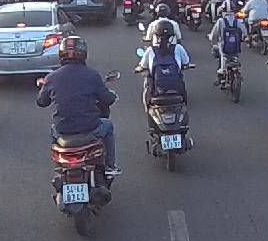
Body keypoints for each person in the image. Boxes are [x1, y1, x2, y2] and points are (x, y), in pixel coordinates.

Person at [36, 36, 121, 177]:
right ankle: (109, 166)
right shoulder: (92, 75)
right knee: (108, 126)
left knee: (52, 130)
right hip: (90, 128)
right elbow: (108, 99)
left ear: (61, 54)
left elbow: (41, 102)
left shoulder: (51, 78)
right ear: (84, 54)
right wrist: (112, 96)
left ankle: (59, 165)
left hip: (63, 130)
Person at [138, 20, 191, 106]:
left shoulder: (151, 50)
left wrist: (139, 69)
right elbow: (186, 62)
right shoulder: (178, 48)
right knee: (181, 80)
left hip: (156, 94)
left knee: (147, 84)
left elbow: (143, 65)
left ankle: (147, 107)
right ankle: (185, 104)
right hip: (176, 94)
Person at [208, 5, 247, 76]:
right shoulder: (237, 21)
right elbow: (244, 33)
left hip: (224, 48)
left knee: (220, 52)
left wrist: (211, 39)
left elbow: (214, 34)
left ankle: (222, 69)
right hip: (236, 48)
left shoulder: (220, 21)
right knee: (235, 56)